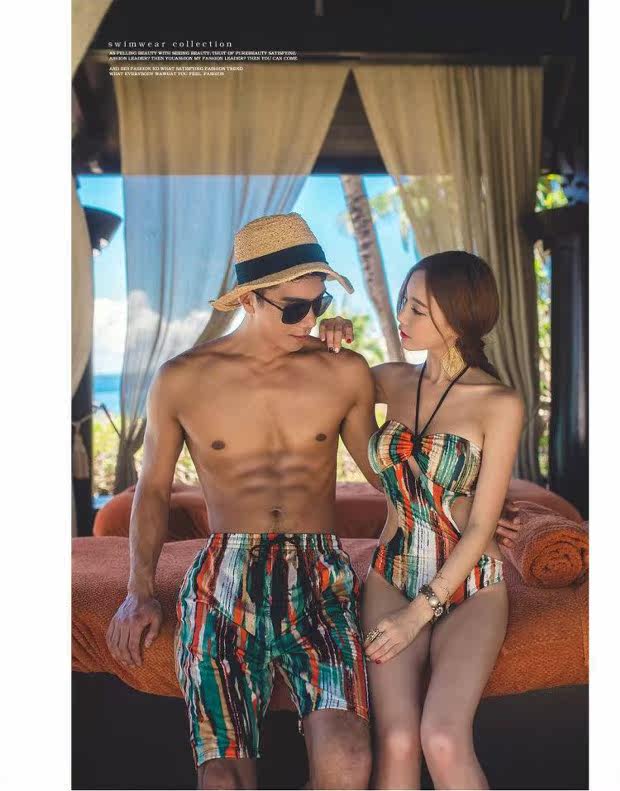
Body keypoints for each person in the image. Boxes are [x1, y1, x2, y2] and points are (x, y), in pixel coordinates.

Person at [106, 213, 520, 790]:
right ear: (248, 299)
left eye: (319, 305)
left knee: (349, 757)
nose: (310, 320)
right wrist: (138, 590)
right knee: (222, 779)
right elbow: (152, 489)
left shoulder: (342, 371)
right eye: (295, 308)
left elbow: (390, 471)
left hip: (319, 573)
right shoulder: (181, 379)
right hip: (225, 573)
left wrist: (472, 511)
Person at [319, 251, 524, 790]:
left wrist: (418, 615)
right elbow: (327, 374)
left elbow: (481, 527)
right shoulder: (390, 380)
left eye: (417, 309)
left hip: (470, 583)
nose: (402, 318)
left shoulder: (499, 403)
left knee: (442, 738)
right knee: (397, 740)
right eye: (403, 303)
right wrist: (331, 335)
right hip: (391, 573)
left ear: (457, 318)